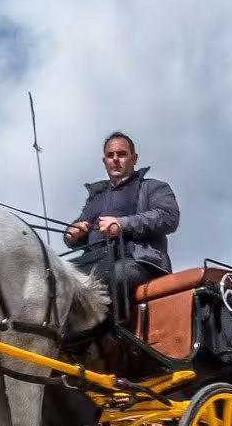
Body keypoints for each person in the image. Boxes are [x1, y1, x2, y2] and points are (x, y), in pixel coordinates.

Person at [64, 131, 181, 308]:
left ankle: (107, 334)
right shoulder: (95, 198)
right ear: (105, 162)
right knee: (56, 279)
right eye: (110, 155)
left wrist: (122, 225)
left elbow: (168, 217)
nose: (116, 159)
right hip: (94, 261)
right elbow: (75, 232)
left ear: (134, 158)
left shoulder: (153, 187)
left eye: (122, 154)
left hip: (139, 263)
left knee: (115, 275)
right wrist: (72, 234)